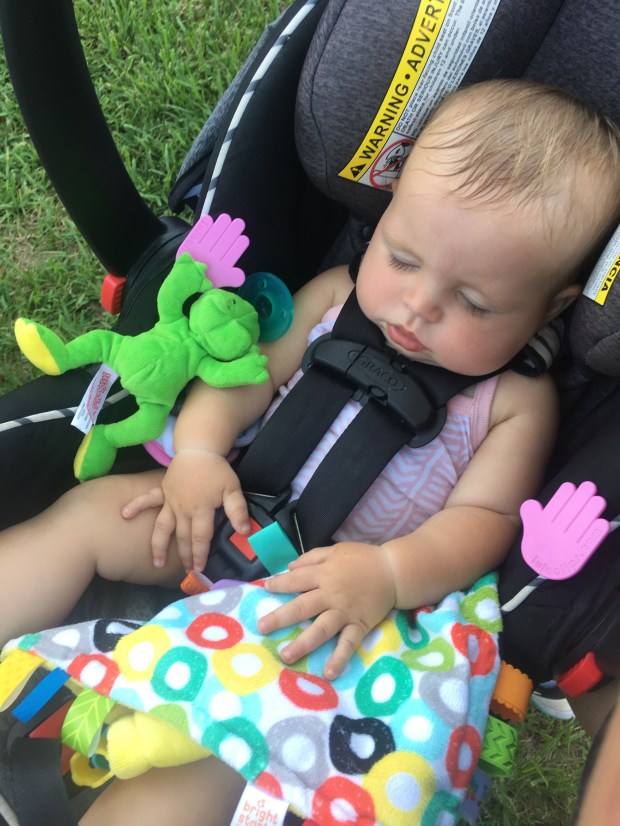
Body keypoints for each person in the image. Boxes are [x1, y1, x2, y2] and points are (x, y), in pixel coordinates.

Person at [2, 79, 620, 825]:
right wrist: (198, 453)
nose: (419, 305)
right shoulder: (336, 297)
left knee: (242, 741)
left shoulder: (517, 401)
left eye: (474, 303)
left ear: (550, 307)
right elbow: (250, 378)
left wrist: (390, 574)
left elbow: (484, 521)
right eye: (402, 257)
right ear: (383, 216)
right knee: (94, 516)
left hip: (326, 606)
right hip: (224, 513)